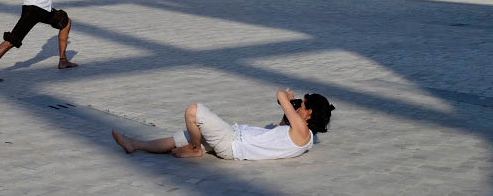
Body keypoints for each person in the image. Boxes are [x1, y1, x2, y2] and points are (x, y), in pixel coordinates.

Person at [111, 88, 334, 161]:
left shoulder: (303, 130)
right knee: (180, 137)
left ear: (309, 113)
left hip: (231, 140)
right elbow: (277, 135)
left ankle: (196, 149)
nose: (298, 107)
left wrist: (286, 97)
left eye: (302, 106)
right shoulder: (306, 139)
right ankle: (135, 144)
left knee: (193, 110)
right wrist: (287, 116)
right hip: (232, 141)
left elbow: (279, 94)